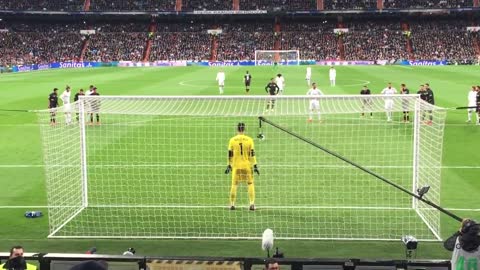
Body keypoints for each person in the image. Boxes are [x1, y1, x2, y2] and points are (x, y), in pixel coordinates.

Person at [225, 122, 259, 211]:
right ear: (244, 129)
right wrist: (255, 165)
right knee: (250, 184)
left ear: (237, 129)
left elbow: (230, 154)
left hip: (236, 166)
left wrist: (229, 164)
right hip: (247, 166)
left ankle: (232, 204)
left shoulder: (232, 140)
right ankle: (252, 204)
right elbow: (252, 154)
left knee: (234, 185)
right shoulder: (249, 140)